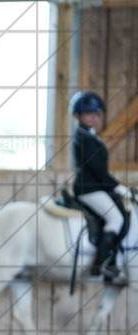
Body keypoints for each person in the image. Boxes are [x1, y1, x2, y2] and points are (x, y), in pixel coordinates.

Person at [71, 91, 129, 282]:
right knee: (115, 219)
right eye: (89, 114)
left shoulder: (91, 136)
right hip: (89, 189)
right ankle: (102, 264)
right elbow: (98, 170)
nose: (94, 118)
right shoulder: (83, 139)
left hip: (97, 187)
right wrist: (117, 187)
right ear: (78, 115)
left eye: (97, 114)